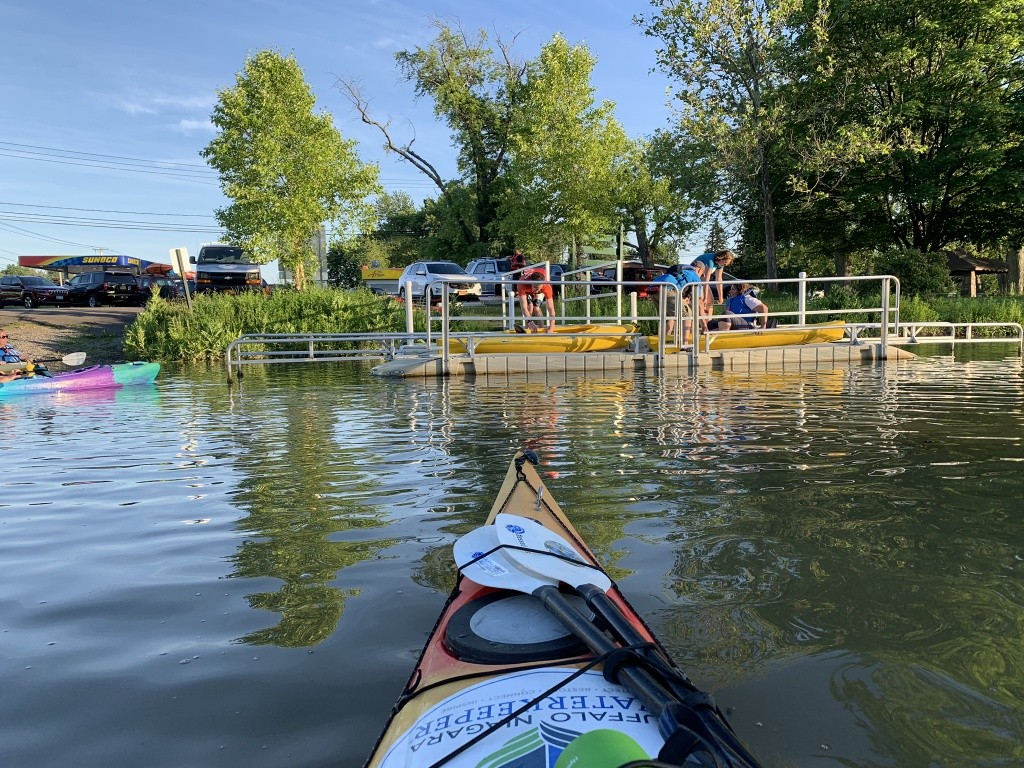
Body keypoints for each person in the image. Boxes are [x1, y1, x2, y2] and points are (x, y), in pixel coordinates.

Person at [511, 251, 556, 333]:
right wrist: (530, 322)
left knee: (536, 306)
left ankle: (541, 328)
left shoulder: (546, 286)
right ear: (531, 283)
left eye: (538, 288)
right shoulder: (522, 284)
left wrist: (551, 327)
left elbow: (551, 309)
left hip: (539, 284)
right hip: (526, 288)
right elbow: (523, 307)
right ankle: (529, 326)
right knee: (529, 307)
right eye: (535, 287)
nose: (536, 290)